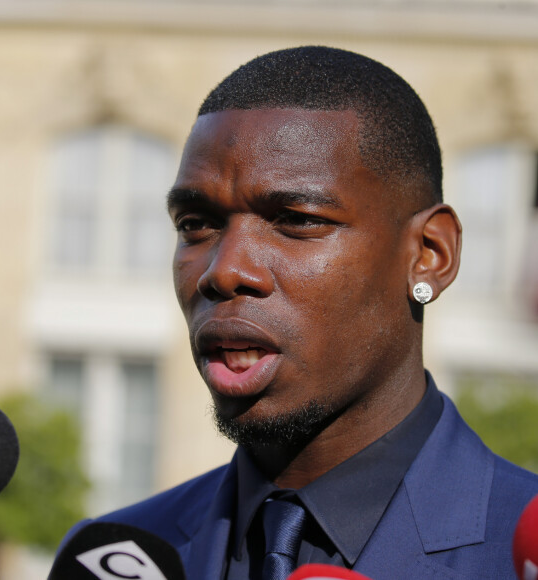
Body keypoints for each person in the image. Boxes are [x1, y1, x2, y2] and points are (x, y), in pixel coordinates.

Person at [57, 46, 538, 579]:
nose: (224, 270)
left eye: (296, 220)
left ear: (430, 255)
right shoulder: (119, 560)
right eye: (196, 222)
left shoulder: (517, 552)